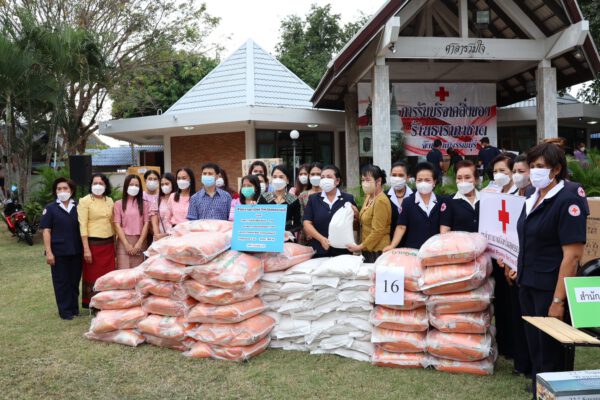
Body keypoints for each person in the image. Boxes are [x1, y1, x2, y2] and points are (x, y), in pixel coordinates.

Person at [517, 142, 586, 396]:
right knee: (536, 348)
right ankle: (540, 392)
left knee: (551, 352)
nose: (534, 171)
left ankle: (553, 394)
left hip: (550, 288)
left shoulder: (567, 199)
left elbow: (572, 255)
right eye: (532, 166)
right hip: (528, 283)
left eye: (540, 166)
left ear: (556, 169)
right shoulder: (531, 196)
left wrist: (558, 300)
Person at [40, 178, 82, 320]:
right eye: (59, 189)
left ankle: (74, 308)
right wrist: (49, 252)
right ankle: (65, 311)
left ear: (71, 190)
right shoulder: (50, 208)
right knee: (61, 282)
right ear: (55, 191)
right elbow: (46, 231)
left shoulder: (79, 206)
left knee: (74, 281)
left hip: (76, 250)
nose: (62, 191)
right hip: (58, 252)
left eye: (65, 188)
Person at [384, 162, 442, 251]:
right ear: (415, 181)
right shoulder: (408, 202)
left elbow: (444, 227)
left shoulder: (442, 202)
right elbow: (401, 227)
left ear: (434, 181)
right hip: (413, 250)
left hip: (435, 249)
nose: (423, 183)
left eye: (427, 180)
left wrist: (443, 245)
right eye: (419, 180)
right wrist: (392, 245)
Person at [303, 164, 358, 257]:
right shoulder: (313, 199)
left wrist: (357, 215)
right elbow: (307, 223)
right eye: (322, 177)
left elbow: (355, 224)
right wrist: (321, 239)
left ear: (337, 181)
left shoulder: (348, 198)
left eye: (329, 177)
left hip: (343, 250)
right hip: (319, 249)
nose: (325, 180)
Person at [77, 173, 115, 309]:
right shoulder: (84, 201)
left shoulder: (109, 201)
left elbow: (113, 223)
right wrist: (86, 249)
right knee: (93, 275)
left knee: (108, 275)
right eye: (95, 183)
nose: (98, 186)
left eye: (101, 183)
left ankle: (108, 302)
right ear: (91, 185)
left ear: (106, 185)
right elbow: (83, 225)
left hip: (109, 244)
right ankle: (94, 304)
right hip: (93, 245)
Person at [347, 165, 391, 263]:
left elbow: (378, 231)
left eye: (367, 180)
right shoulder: (369, 196)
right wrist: (356, 214)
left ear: (378, 181)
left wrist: (359, 247)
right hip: (367, 247)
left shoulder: (381, 201)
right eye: (362, 180)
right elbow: (365, 220)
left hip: (378, 250)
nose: (364, 183)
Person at [113, 174, 151, 269]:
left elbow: (146, 223)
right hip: (123, 241)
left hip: (140, 241)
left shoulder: (145, 204)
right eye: (131, 185)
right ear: (126, 186)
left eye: (136, 185)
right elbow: (117, 224)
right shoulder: (118, 204)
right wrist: (126, 244)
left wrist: (139, 243)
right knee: (123, 272)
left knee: (138, 272)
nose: (134, 187)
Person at [258, 164, 302, 235]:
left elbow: (298, 224)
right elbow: (257, 219)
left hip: (286, 237)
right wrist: (252, 207)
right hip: (268, 236)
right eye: (274, 177)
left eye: (281, 177)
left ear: (287, 180)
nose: (277, 179)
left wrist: (289, 232)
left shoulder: (293, 199)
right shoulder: (264, 197)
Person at [440, 160, 480, 233]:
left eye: (467, 177)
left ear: (476, 179)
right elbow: (444, 231)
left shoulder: (485, 199)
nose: (463, 181)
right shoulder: (449, 201)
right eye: (459, 178)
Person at [386, 161, 413, 241]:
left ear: (407, 177)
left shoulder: (416, 196)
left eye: (401, 175)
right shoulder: (384, 197)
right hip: (389, 242)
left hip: (410, 242)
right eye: (394, 175)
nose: (397, 178)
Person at [297, 162, 323, 245]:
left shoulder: (328, 194)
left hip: (325, 234)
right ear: (309, 176)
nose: (315, 176)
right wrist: (308, 231)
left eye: (318, 174)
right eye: (312, 174)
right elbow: (301, 216)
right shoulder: (303, 195)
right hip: (307, 236)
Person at [151, 173, 176, 240]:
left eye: (167, 184)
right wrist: (157, 235)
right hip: (159, 237)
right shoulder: (157, 200)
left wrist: (165, 235)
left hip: (175, 237)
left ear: (173, 184)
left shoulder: (178, 200)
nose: (164, 186)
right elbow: (155, 222)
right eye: (162, 184)